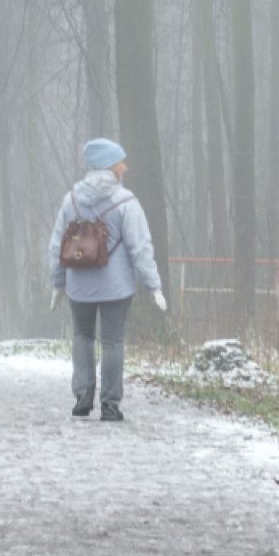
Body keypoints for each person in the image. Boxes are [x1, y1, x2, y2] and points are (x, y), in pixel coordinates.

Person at [48, 138, 167, 421]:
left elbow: (56, 244)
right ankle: (110, 404)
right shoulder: (126, 202)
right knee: (113, 341)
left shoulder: (71, 200)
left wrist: (57, 282)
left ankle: (82, 397)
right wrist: (154, 286)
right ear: (109, 166)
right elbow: (140, 247)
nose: (125, 167)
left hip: (79, 285)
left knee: (82, 336)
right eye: (120, 162)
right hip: (117, 287)